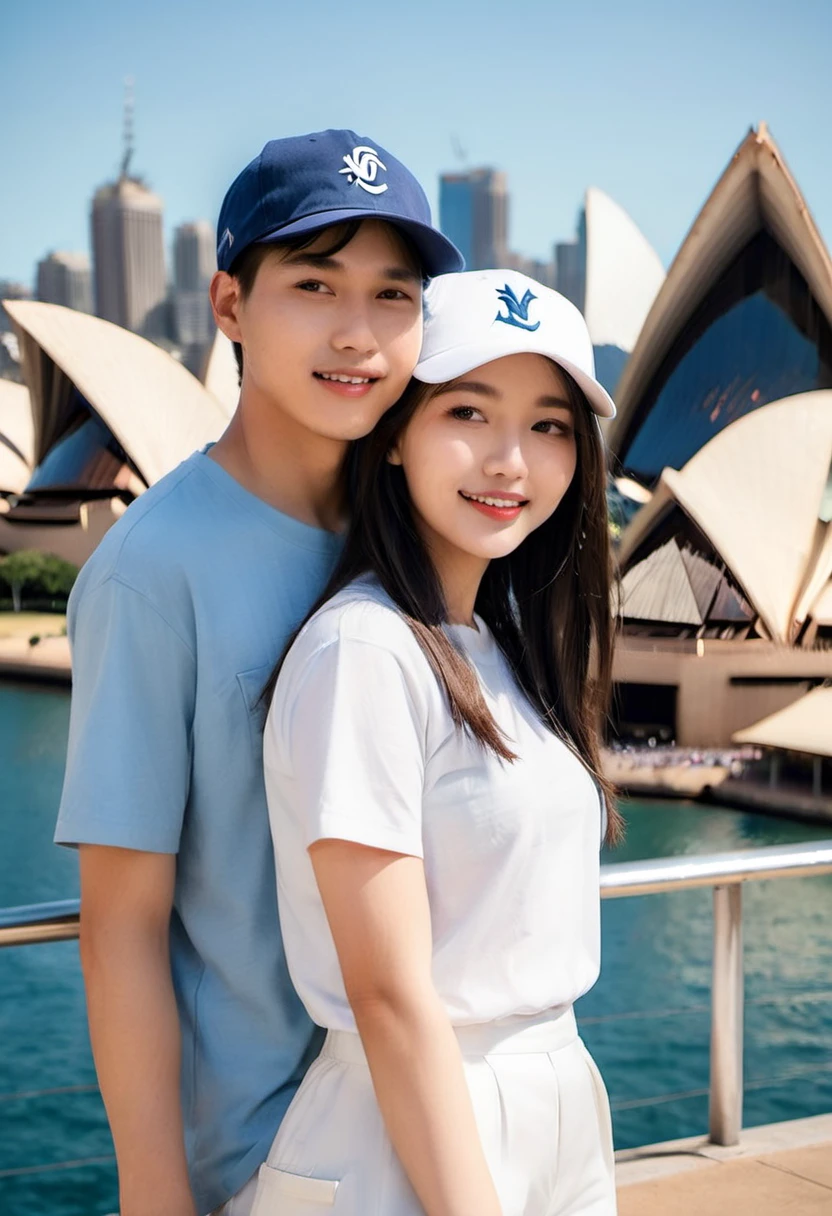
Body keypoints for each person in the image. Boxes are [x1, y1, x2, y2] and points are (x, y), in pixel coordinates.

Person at [54, 129, 462, 1216]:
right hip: (279, 1156)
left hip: (438, 1118)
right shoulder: (154, 567)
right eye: (314, 284)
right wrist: (155, 1193)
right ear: (230, 305)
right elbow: (122, 924)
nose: (356, 332)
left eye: (392, 294)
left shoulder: (419, 529)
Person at [260, 269, 623, 1216]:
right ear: (394, 438)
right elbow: (389, 1000)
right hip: (411, 1123)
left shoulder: (504, 646)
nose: (510, 459)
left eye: (549, 426)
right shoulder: (364, 650)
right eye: (469, 411)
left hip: (555, 1097)